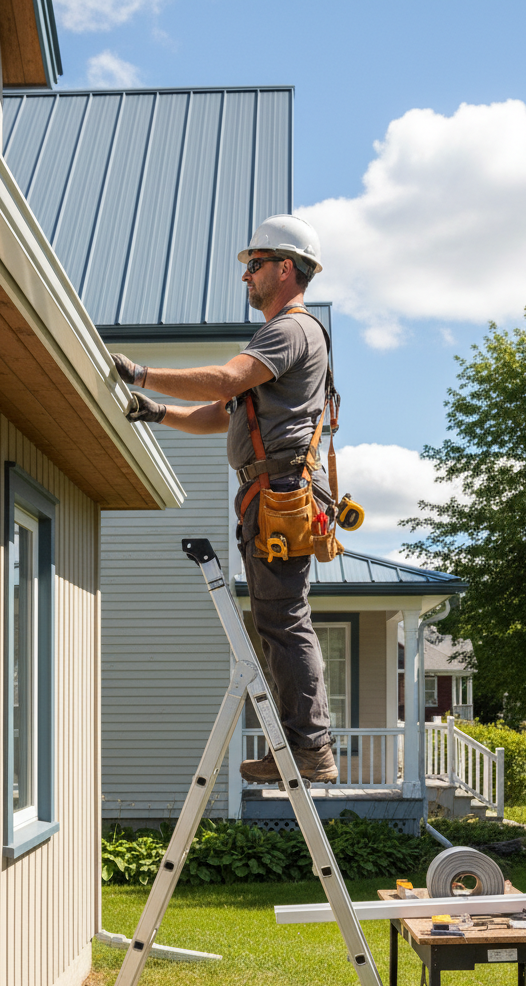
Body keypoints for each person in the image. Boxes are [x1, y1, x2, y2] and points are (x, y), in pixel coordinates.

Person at [110, 214, 338, 783]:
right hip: (270, 494)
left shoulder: (291, 330)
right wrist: (157, 410)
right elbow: (222, 413)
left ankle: (310, 747)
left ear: (287, 268)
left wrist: (141, 372)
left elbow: (224, 382)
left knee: (284, 619)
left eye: (254, 265)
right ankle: (300, 743)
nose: (246, 277)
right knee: (275, 619)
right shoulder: (279, 337)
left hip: (281, 492)